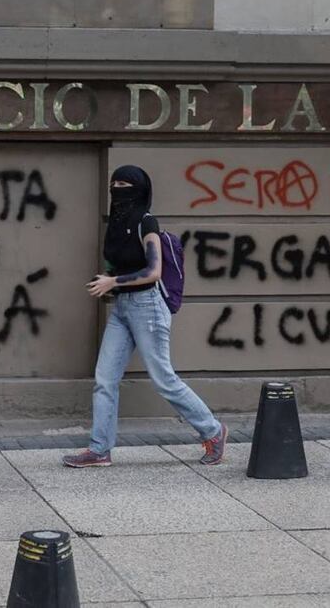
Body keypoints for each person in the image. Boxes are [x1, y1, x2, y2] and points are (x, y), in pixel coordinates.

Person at [62, 165, 227, 468]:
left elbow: (154, 271)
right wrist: (110, 280)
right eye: (114, 183)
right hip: (122, 307)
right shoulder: (115, 222)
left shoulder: (146, 221)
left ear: (139, 189)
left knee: (163, 378)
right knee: (104, 379)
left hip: (147, 306)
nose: (117, 189)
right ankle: (99, 450)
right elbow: (118, 263)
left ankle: (213, 432)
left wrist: (113, 282)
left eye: (124, 184)